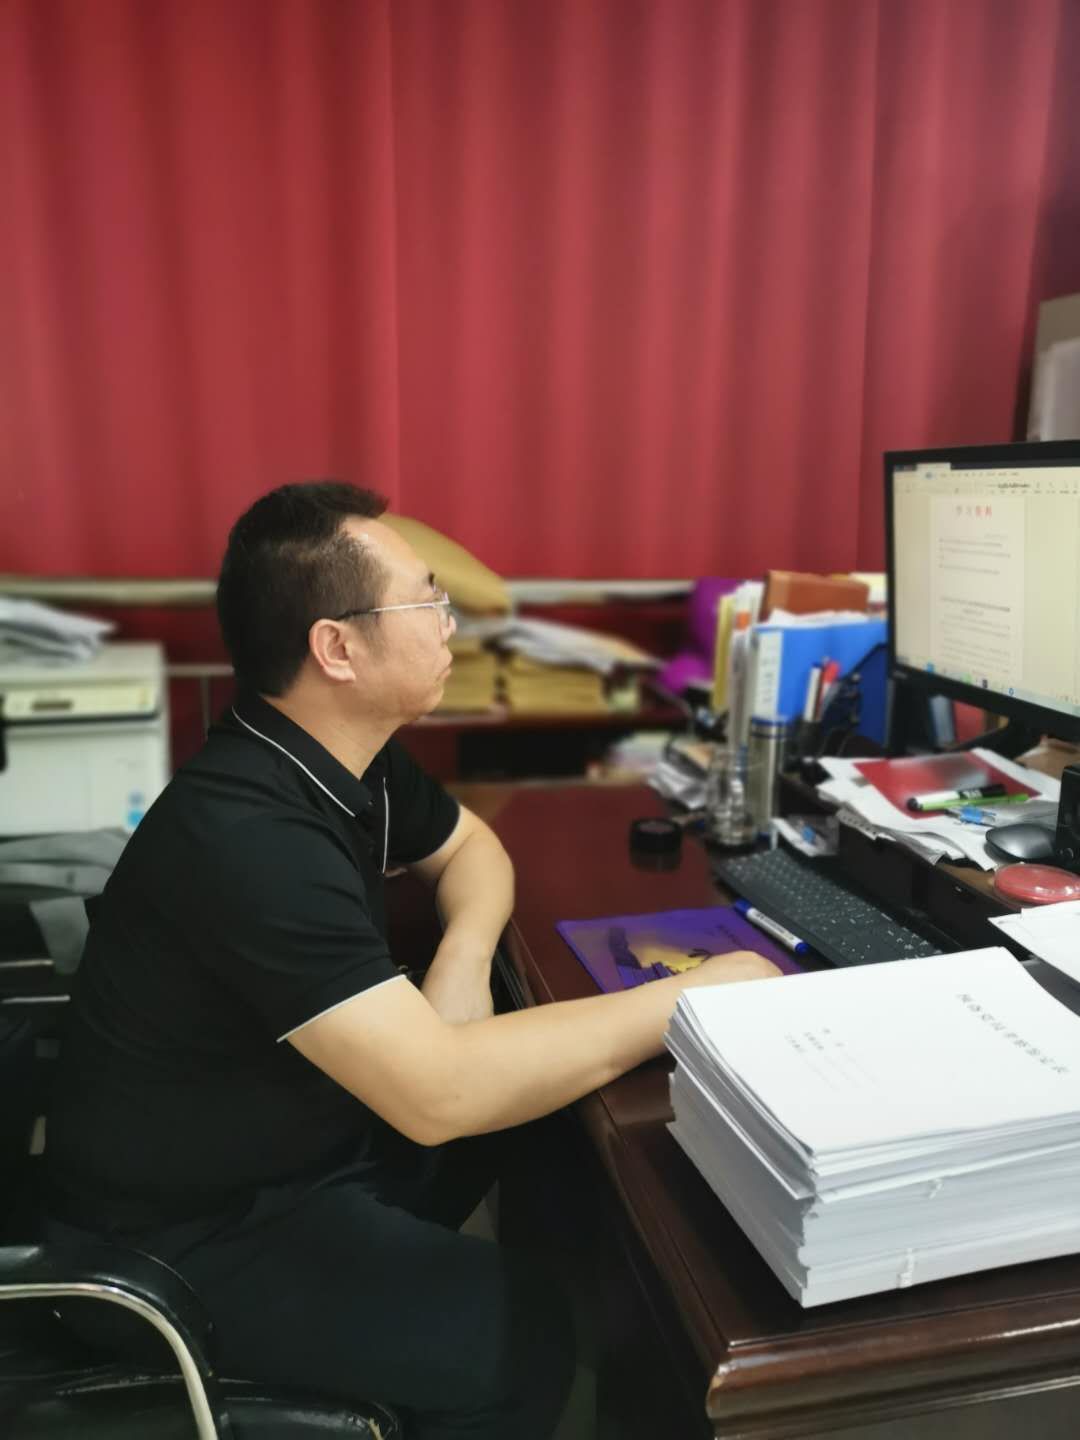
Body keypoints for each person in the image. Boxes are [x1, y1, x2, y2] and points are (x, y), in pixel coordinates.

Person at [45, 481, 779, 1440]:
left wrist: (461, 964)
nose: (448, 626)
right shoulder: (248, 836)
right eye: (427, 602)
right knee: (516, 1336)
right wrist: (701, 996)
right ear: (337, 648)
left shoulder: (335, 752)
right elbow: (438, 1096)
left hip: (303, 1134)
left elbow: (473, 847)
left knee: (551, 1125)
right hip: (187, 1235)